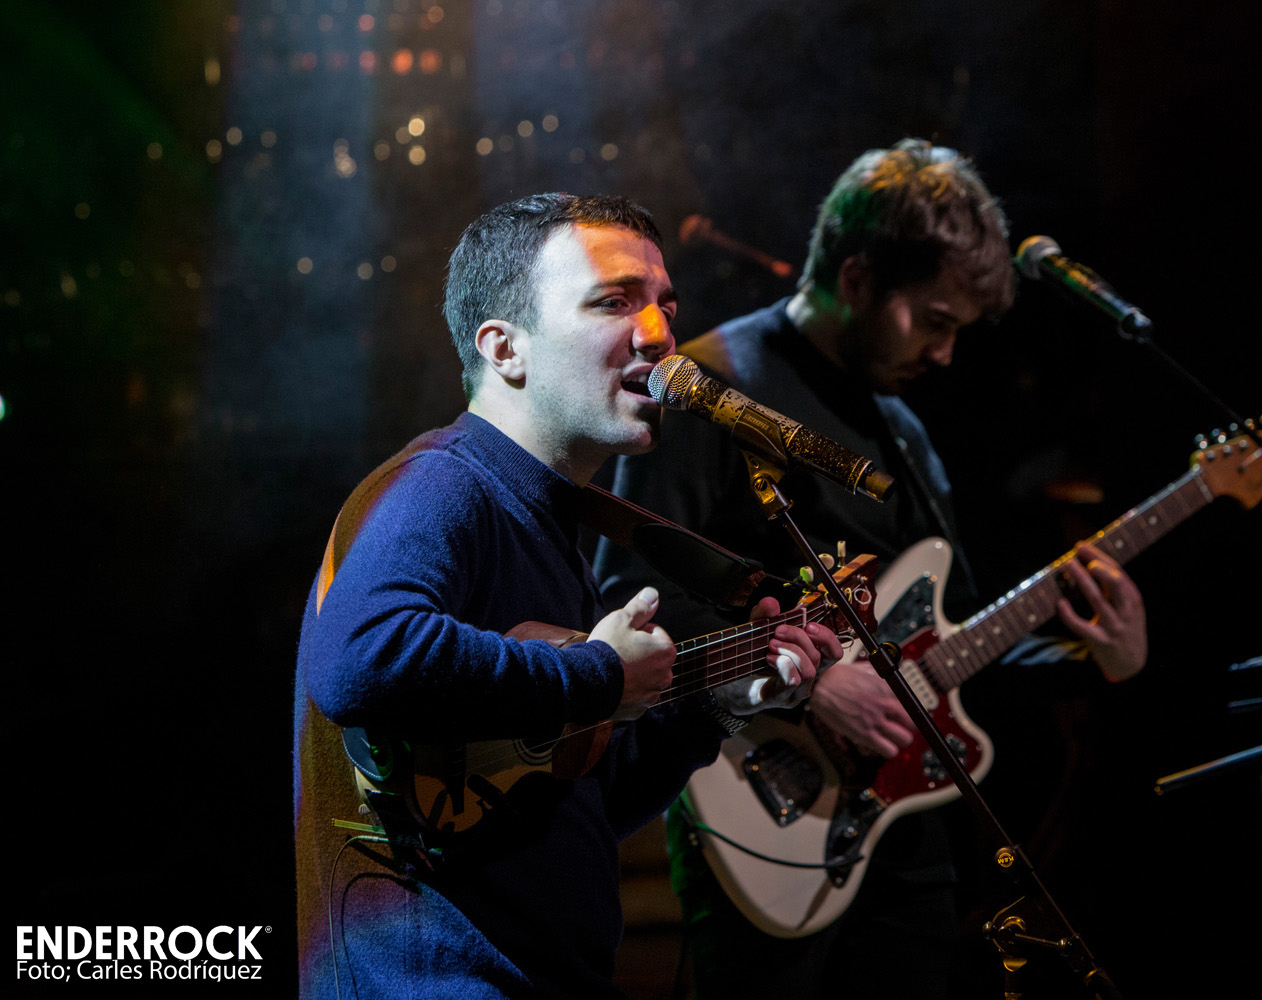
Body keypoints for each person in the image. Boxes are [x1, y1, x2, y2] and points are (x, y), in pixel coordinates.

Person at [594, 141, 1148, 997]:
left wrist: (1101, 659)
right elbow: (629, 602)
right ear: (856, 280)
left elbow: (956, 644)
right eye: (935, 321)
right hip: (759, 810)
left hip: (902, 827)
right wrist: (810, 680)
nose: (946, 354)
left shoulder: (906, 433)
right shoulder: (709, 387)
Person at [292, 193, 844, 999]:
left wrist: (713, 707)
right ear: (505, 347)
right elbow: (359, 658)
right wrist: (599, 674)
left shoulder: (553, 526)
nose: (658, 334)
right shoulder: (442, 484)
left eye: (664, 305)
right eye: (613, 302)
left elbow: (576, 802)